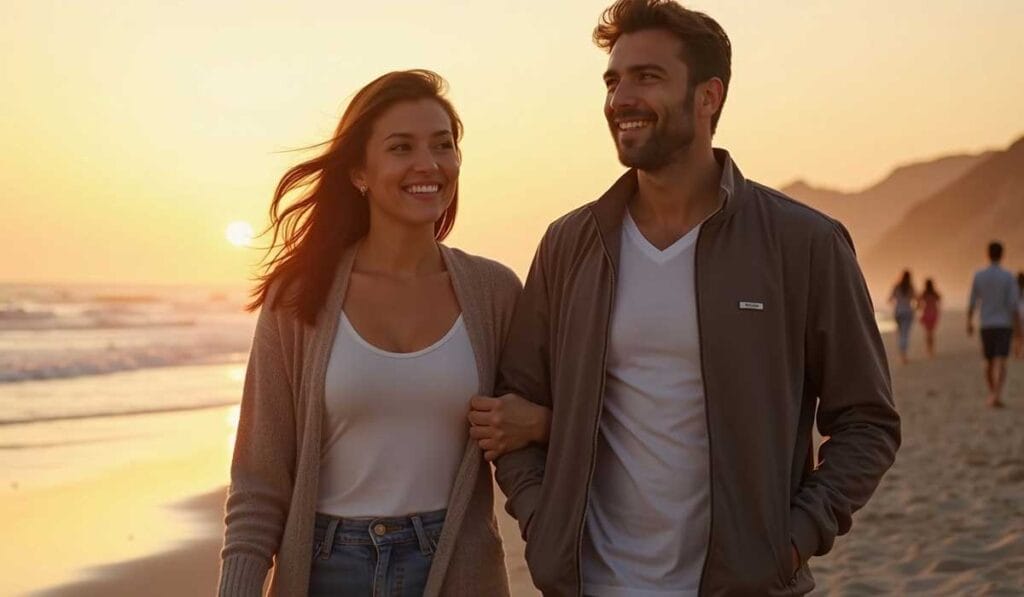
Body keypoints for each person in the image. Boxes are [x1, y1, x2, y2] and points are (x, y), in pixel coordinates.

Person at [482, 2, 900, 595]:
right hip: (594, 583)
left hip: (744, 584)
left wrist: (792, 540)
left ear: (708, 97)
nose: (620, 97)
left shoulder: (803, 243)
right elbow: (513, 405)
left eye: (646, 77)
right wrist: (543, 523)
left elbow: (868, 420)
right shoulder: (571, 244)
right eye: (613, 80)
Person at [218, 70, 544, 597]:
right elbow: (259, 480)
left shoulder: (495, 292)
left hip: (455, 565)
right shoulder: (300, 296)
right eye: (401, 147)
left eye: (444, 146)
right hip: (326, 568)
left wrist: (542, 423)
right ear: (359, 172)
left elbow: (531, 436)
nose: (429, 164)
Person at [967, 241, 1020, 408]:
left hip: (986, 324)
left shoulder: (979, 275)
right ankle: (996, 393)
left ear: (988, 254)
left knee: (988, 362)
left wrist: (969, 322)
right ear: (1002, 254)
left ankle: (992, 392)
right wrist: (1019, 328)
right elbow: (1013, 305)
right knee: (1001, 360)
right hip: (1004, 324)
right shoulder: (1009, 276)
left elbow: (972, 301)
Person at [890, 270, 916, 364]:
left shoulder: (897, 286)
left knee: (901, 333)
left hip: (898, 312)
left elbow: (890, 299)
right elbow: (915, 299)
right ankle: (904, 355)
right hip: (908, 312)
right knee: (905, 333)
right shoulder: (910, 287)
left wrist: (898, 302)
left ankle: (902, 355)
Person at [918, 278, 942, 358]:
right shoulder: (934, 293)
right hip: (934, 313)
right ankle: (931, 349)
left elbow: (919, 303)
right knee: (931, 333)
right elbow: (939, 299)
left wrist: (920, 307)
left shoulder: (924, 293)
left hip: (926, 313)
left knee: (928, 333)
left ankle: (928, 349)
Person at [1015, 272, 1024, 359]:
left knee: (1018, 335)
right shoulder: (1016, 291)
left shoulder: (1014, 290)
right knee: (1020, 335)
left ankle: (1018, 351)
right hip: (1020, 314)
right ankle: (1019, 351)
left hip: (1017, 314)